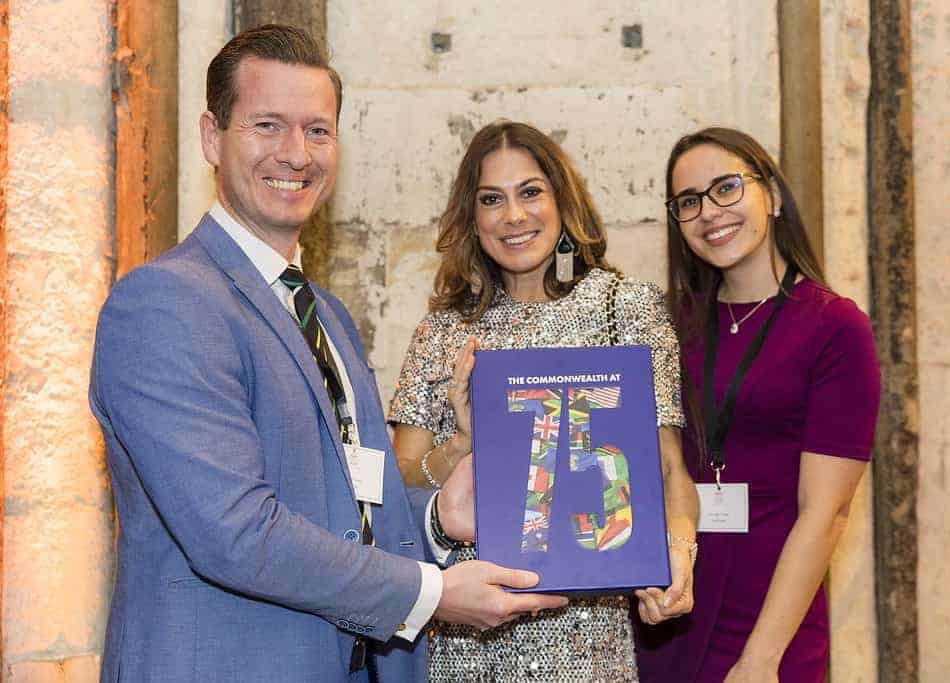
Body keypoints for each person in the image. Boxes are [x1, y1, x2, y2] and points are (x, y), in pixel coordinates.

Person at [88, 25, 564, 683]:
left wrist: (436, 517)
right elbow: (236, 532)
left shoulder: (325, 315)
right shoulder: (165, 304)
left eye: (318, 131)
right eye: (267, 125)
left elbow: (346, 508)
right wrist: (432, 592)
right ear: (211, 137)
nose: (296, 154)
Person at [388, 120, 701, 681]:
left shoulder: (626, 310)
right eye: (492, 199)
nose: (514, 215)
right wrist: (463, 442)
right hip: (467, 646)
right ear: (471, 217)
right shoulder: (444, 330)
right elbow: (401, 485)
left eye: (530, 192)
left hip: (590, 644)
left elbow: (670, 469)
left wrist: (680, 553)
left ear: (562, 200)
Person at [633, 127, 881, 682]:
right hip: (670, 601)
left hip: (771, 616)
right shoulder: (668, 323)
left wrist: (762, 658)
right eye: (688, 202)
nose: (708, 213)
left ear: (770, 195)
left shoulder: (836, 327)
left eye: (726, 188)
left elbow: (827, 511)